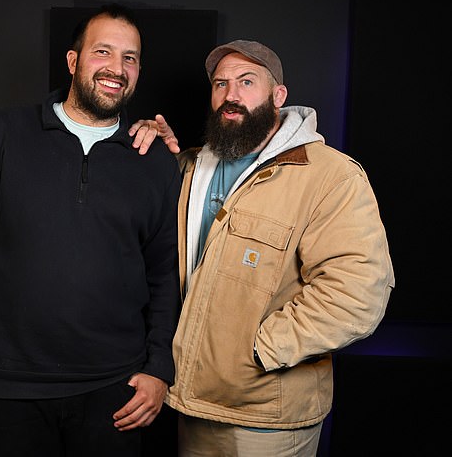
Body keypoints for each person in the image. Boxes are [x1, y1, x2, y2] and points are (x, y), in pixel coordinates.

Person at [0, 4, 181, 457]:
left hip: (115, 389)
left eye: (130, 57)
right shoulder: (6, 134)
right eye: (103, 52)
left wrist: (160, 368)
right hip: (7, 387)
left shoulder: (154, 159)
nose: (117, 69)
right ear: (73, 61)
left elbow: (164, 274)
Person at [130, 39, 395, 456]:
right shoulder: (193, 167)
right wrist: (154, 154)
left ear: (279, 95)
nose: (231, 95)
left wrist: (259, 349)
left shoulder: (330, 177)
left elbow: (357, 293)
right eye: (221, 84)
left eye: (247, 82)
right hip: (190, 401)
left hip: (266, 417)